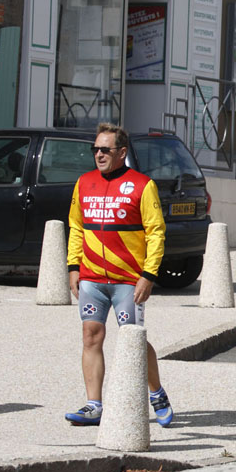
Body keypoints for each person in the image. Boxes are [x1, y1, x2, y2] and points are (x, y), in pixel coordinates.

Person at [64, 123, 173, 427]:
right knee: (90, 336)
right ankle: (93, 405)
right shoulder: (84, 182)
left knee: (132, 341)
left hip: (128, 281)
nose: (98, 155)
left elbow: (156, 232)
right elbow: (76, 227)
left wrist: (148, 275)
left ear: (122, 152)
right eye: (95, 149)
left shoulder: (142, 184)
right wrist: (74, 267)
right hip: (92, 278)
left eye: (105, 150)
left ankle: (157, 393)